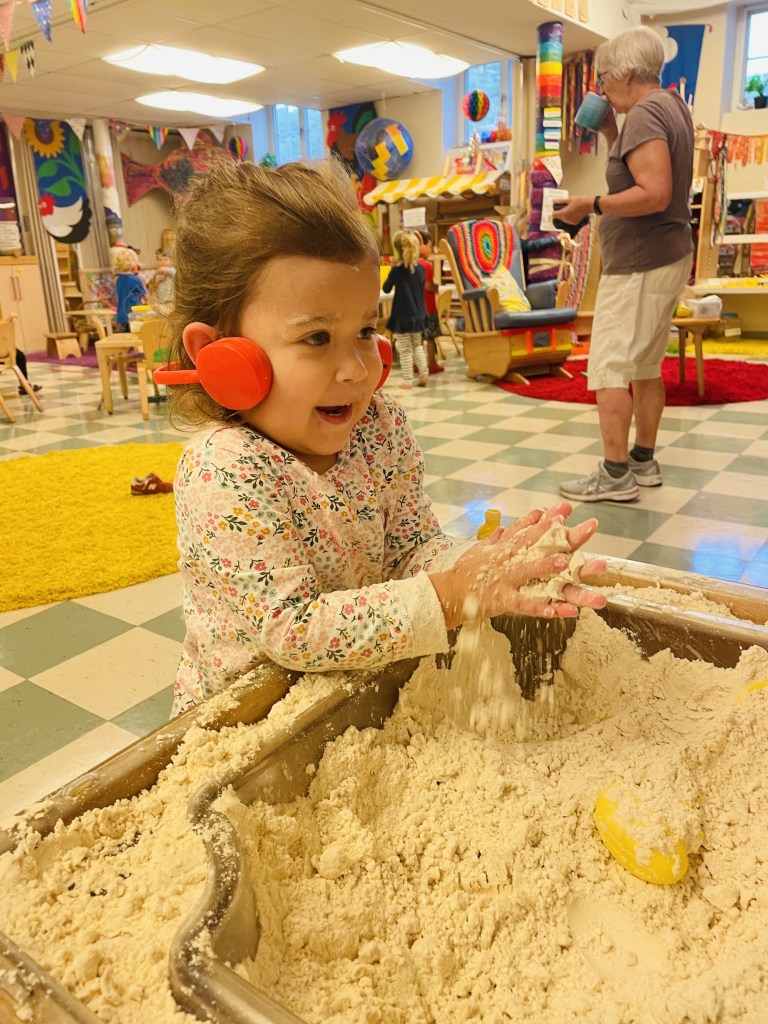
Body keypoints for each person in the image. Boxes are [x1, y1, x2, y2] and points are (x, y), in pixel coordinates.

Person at [160, 158, 606, 716]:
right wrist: (452, 595)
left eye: (366, 330)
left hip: (353, 691)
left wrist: (487, 566)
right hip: (249, 718)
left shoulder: (378, 427)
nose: (356, 370)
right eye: (317, 337)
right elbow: (293, 630)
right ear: (217, 354)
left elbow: (411, 550)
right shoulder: (224, 468)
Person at [554, 26, 694, 502]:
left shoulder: (646, 113)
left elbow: (654, 193)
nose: (601, 87)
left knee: (610, 365)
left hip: (639, 261)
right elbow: (642, 177)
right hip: (664, 254)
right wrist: (611, 131)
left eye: (605, 77)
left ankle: (615, 474)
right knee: (645, 365)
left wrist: (589, 204)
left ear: (628, 73)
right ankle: (642, 460)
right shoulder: (669, 106)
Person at [382, 230, 429, 388]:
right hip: (418, 314)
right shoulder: (421, 269)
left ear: (397, 250)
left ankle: (408, 380)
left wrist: (393, 268)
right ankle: (423, 373)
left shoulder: (397, 271)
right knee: (417, 345)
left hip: (402, 315)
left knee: (404, 348)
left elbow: (386, 288)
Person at [418, 230, 444, 374]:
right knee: (430, 337)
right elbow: (428, 286)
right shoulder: (427, 266)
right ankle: (432, 363)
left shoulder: (411, 265)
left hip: (416, 308)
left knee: (418, 338)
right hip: (429, 307)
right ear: (422, 247)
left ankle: (417, 364)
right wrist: (436, 286)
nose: (431, 249)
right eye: (430, 245)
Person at [113, 247, 147, 333]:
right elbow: (144, 295)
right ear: (132, 263)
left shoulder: (118, 279)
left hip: (121, 315)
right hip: (133, 314)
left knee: (125, 338)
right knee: (137, 336)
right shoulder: (135, 279)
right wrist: (148, 304)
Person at [148, 247, 176, 314]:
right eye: (160, 260)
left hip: (172, 301)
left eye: (165, 260)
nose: (162, 262)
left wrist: (155, 273)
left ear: (171, 261)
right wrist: (156, 281)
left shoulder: (173, 270)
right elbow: (152, 287)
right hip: (161, 302)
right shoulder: (158, 275)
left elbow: (163, 270)